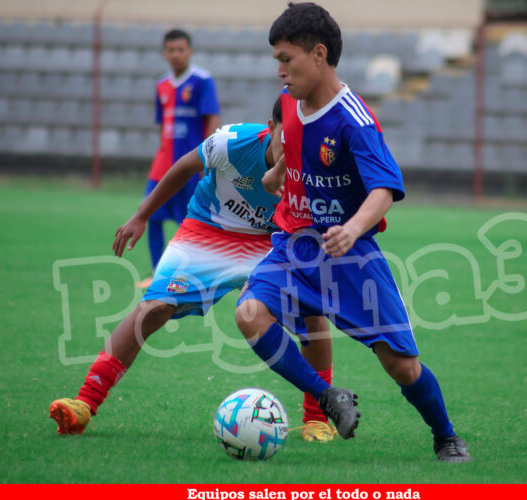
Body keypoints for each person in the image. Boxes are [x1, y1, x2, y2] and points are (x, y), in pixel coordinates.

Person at [234, 2, 471, 462]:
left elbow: (386, 187)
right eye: (276, 61)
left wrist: (353, 228)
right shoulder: (290, 103)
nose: (280, 71)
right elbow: (300, 151)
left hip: (349, 254)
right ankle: (327, 398)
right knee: (249, 314)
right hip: (294, 245)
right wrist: (279, 171)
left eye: (287, 59)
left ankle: (445, 435)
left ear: (318, 54)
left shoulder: (353, 118)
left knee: (401, 366)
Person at [49, 98, 337, 442]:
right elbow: (185, 166)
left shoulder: (315, 166)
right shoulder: (232, 142)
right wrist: (141, 215)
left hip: (271, 242)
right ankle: (84, 403)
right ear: (271, 127)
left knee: (312, 316)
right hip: (208, 230)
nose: (292, 151)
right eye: (285, 139)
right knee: (153, 308)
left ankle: (318, 419)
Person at [138, 29, 221, 288]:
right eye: (171, 50)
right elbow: (163, 125)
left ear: (190, 51)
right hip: (163, 164)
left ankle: (206, 271)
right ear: (164, 52)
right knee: (150, 213)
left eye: (180, 49)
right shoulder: (161, 84)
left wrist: (207, 161)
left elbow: (213, 119)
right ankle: (156, 273)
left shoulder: (202, 80)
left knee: (194, 220)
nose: (176, 54)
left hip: (192, 166)